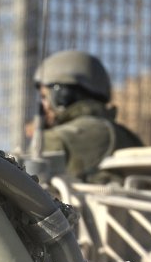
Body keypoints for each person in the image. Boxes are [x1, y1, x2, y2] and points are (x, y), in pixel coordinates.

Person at [34, 50, 144, 181]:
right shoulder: (130, 138)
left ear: (61, 95)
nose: (43, 105)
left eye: (44, 97)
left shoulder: (53, 139)